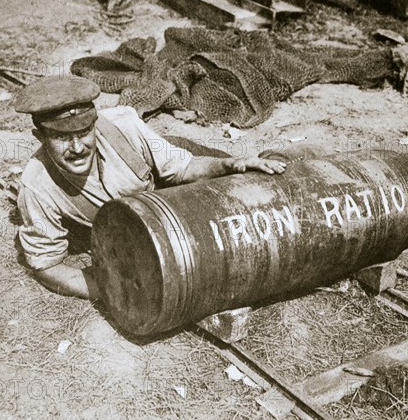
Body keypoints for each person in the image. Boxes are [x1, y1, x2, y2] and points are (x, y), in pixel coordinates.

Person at [14, 76, 286, 300]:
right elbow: (47, 264)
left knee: (251, 177)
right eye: (62, 137)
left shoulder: (124, 125)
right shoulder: (37, 185)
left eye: (84, 132)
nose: (76, 148)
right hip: (143, 216)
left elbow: (184, 168)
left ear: (95, 124)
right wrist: (110, 290)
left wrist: (230, 165)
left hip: (165, 169)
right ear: (40, 137)